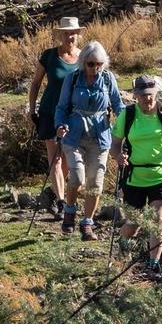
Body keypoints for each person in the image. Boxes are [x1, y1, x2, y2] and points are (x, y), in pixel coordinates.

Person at [112, 75, 162, 277]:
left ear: (157, 94)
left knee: (158, 217)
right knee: (135, 224)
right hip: (134, 176)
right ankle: (123, 239)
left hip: (161, 176)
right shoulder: (127, 115)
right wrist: (118, 156)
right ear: (135, 95)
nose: (148, 99)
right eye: (144, 95)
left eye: (152, 95)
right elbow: (115, 143)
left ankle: (154, 264)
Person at [52, 40, 122, 241]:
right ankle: (70, 210)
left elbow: (118, 105)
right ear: (83, 62)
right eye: (91, 64)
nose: (95, 68)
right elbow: (61, 106)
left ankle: (87, 224)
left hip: (100, 137)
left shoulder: (108, 79)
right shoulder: (73, 79)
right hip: (74, 136)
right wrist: (60, 124)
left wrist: (129, 124)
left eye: (99, 64)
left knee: (96, 183)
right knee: (77, 177)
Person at [26, 17, 83, 217]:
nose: (70, 36)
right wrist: (32, 109)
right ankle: (60, 202)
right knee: (56, 158)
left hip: (73, 114)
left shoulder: (84, 58)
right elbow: (35, 84)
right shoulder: (49, 56)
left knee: (68, 157)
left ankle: (53, 192)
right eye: (66, 33)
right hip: (50, 111)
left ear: (78, 34)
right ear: (60, 35)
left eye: (73, 32)